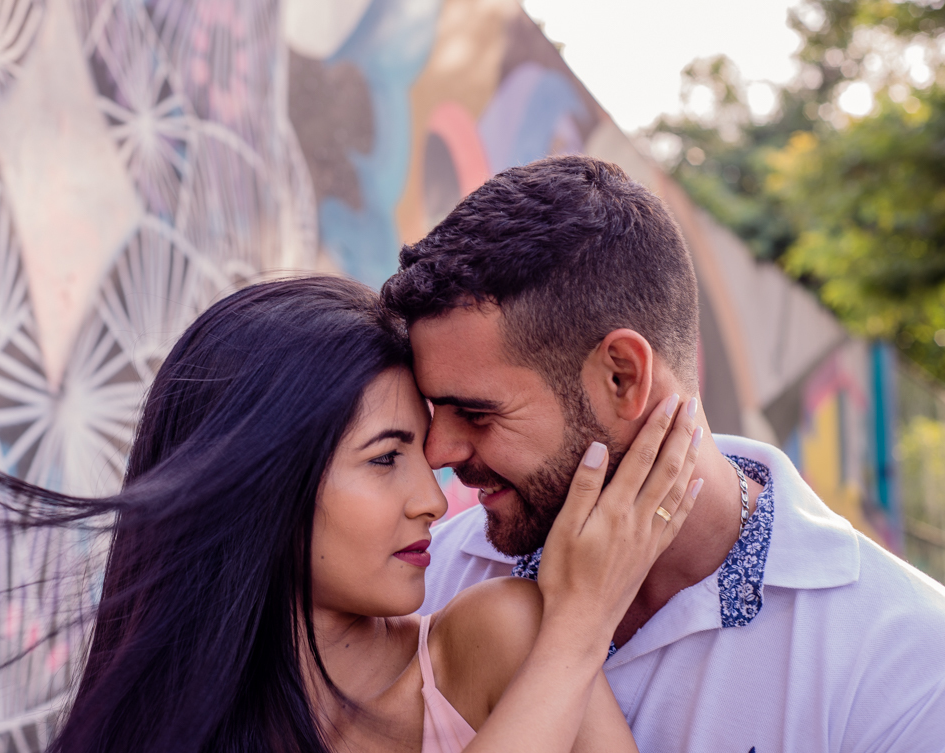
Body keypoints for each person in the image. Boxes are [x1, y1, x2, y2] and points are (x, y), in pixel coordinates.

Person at [0, 275, 703, 752]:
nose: (434, 501)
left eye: (424, 459)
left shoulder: (502, 640)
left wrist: (571, 635)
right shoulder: (160, 721)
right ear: (264, 480)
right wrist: (577, 635)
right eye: (385, 458)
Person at [381, 154, 945, 752]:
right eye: (433, 411)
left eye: (476, 413)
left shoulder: (903, 656)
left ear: (623, 377)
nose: (438, 451)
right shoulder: (429, 578)